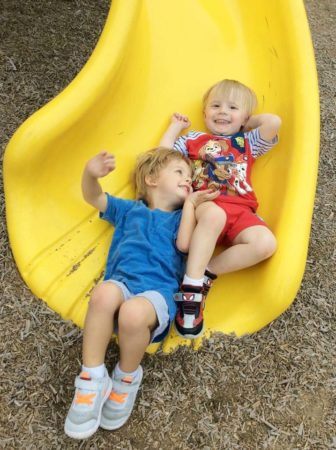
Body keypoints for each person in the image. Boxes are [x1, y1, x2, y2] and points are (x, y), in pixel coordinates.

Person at [64, 147, 218, 439]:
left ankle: (126, 376)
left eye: (190, 177)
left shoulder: (183, 220)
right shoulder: (128, 209)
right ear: (151, 179)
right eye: (180, 173)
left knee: (133, 314)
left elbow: (186, 245)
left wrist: (190, 206)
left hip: (156, 296)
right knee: (103, 294)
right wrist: (89, 173)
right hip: (121, 284)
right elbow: (93, 197)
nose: (188, 180)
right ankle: (91, 378)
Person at [159, 79, 281, 339]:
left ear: (245, 118)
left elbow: (273, 122)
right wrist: (174, 128)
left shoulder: (248, 142)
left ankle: (204, 273)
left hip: (242, 210)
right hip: (206, 203)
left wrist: (247, 124)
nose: (222, 111)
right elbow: (162, 157)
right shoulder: (194, 139)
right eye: (215, 106)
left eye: (232, 108)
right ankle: (190, 291)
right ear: (204, 114)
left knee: (265, 244)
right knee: (214, 214)